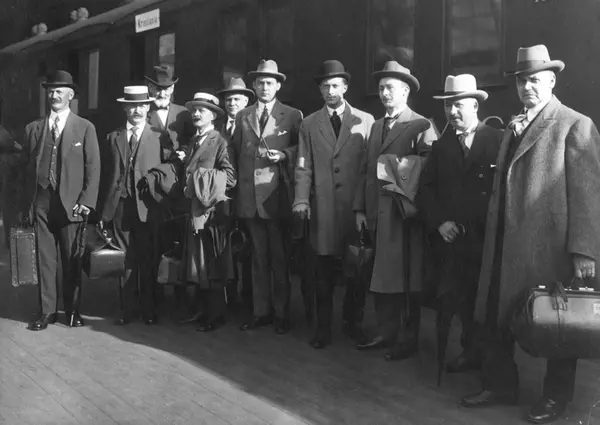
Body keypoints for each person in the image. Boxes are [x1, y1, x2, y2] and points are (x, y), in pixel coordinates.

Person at [460, 45, 600, 424]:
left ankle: (556, 398)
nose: (527, 87)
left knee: (558, 322)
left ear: (552, 81)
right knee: (497, 311)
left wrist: (584, 251)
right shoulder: (514, 125)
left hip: (548, 245)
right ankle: (501, 386)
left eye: (535, 80)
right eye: (522, 81)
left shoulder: (575, 124)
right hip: (506, 242)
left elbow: (588, 196)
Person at [417, 74, 502, 372]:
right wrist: (440, 223)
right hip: (455, 241)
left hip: (487, 239)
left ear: (475, 106)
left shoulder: (497, 139)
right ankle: (470, 352)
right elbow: (425, 189)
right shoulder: (442, 146)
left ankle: (490, 363)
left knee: (488, 302)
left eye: (458, 105)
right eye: (447, 106)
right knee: (462, 299)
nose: (452, 112)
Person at [354, 61, 437, 360]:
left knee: (406, 278)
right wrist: (360, 209)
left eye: (390, 88)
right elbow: (365, 171)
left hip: (403, 216)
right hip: (377, 214)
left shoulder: (421, 125)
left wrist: (395, 168)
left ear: (405, 91)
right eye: (381, 88)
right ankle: (385, 332)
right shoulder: (376, 126)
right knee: (381, 276)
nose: (384, 93)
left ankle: (407, 339)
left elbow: (430, 167)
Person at [293, 60, 374, 349]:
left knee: (356, 269)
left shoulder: (365, 121)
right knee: (322, 272)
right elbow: (303, 166)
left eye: (335, 85)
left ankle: (353, 324)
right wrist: (302, 199)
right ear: (320, 90)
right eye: (325, 86)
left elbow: (368, 168)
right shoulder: (309, 124)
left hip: (354, 210)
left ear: (346, 87)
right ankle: (323, 329)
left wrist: (363, 207)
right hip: (323, 209)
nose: (330, 91)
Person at [20, 70, 100, 331]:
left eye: (59, 91)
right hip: (41, 201)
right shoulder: (33, 129)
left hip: (72, 203)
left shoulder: (85, 127)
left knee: (72, 259)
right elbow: (24, 169)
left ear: (71, 95)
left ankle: (73, 311)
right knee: (45, 259)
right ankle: (47, 312)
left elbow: (93, 167)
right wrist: (26, 204)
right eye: (51, 91)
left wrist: (87, 200)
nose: (54, 95)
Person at [232, 59, 303, 334]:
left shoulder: (292, 115)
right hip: (250, 198)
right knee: (258, 258)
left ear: (278, 86)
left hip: (276, 196)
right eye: (260, 82)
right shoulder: (243, 115)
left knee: (279, 258)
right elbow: (236, 152)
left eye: (269, 83)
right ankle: (261, 312)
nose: (264, 87)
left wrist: (284, 155)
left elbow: (301, 150)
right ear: (253, 85)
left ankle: (282, 314)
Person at [97, 86, 175, 325]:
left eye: (141, 105)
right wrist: (103, 211)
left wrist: (155, 182)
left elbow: (172, 168)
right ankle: (128, 309)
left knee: (148, 257)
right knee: (125, 259)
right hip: (120, 206)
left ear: (148, 107)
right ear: (125, 108)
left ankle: (149, 309)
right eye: (132, 106)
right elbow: (104, 174)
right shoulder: (113, 137)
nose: (137, 110)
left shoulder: (160, 136)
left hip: (149, 206)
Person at [180, 92, 237, 332]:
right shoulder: (195, 140)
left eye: (201, 110)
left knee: (212, 263)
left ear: (213, 115)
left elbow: (230, 177)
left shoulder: (220, 141)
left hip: (212, 213)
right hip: (196, 211)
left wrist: (197, 180)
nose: (196, 114)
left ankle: (216, 315)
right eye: (194, 110)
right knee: (198, 263)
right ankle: (203, 311)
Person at [216, 77, 254, 313]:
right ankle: (228, 298)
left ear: (246, 101)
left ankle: (248, 299)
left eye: (237, 99)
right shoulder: (218, 128)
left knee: (247, 250)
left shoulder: (251, 125)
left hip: (247, 196)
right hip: (223, 199)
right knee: (225, 249)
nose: (232, 103)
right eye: (229, 99)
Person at [145, 65, 195, 156]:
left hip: (177, 163)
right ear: (150, 88)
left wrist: (184, 151)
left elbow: (192, 139)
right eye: (158, 89)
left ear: (172, 89)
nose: (162, 94)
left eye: (166, 89)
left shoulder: (183, 113)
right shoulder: (143, 114)